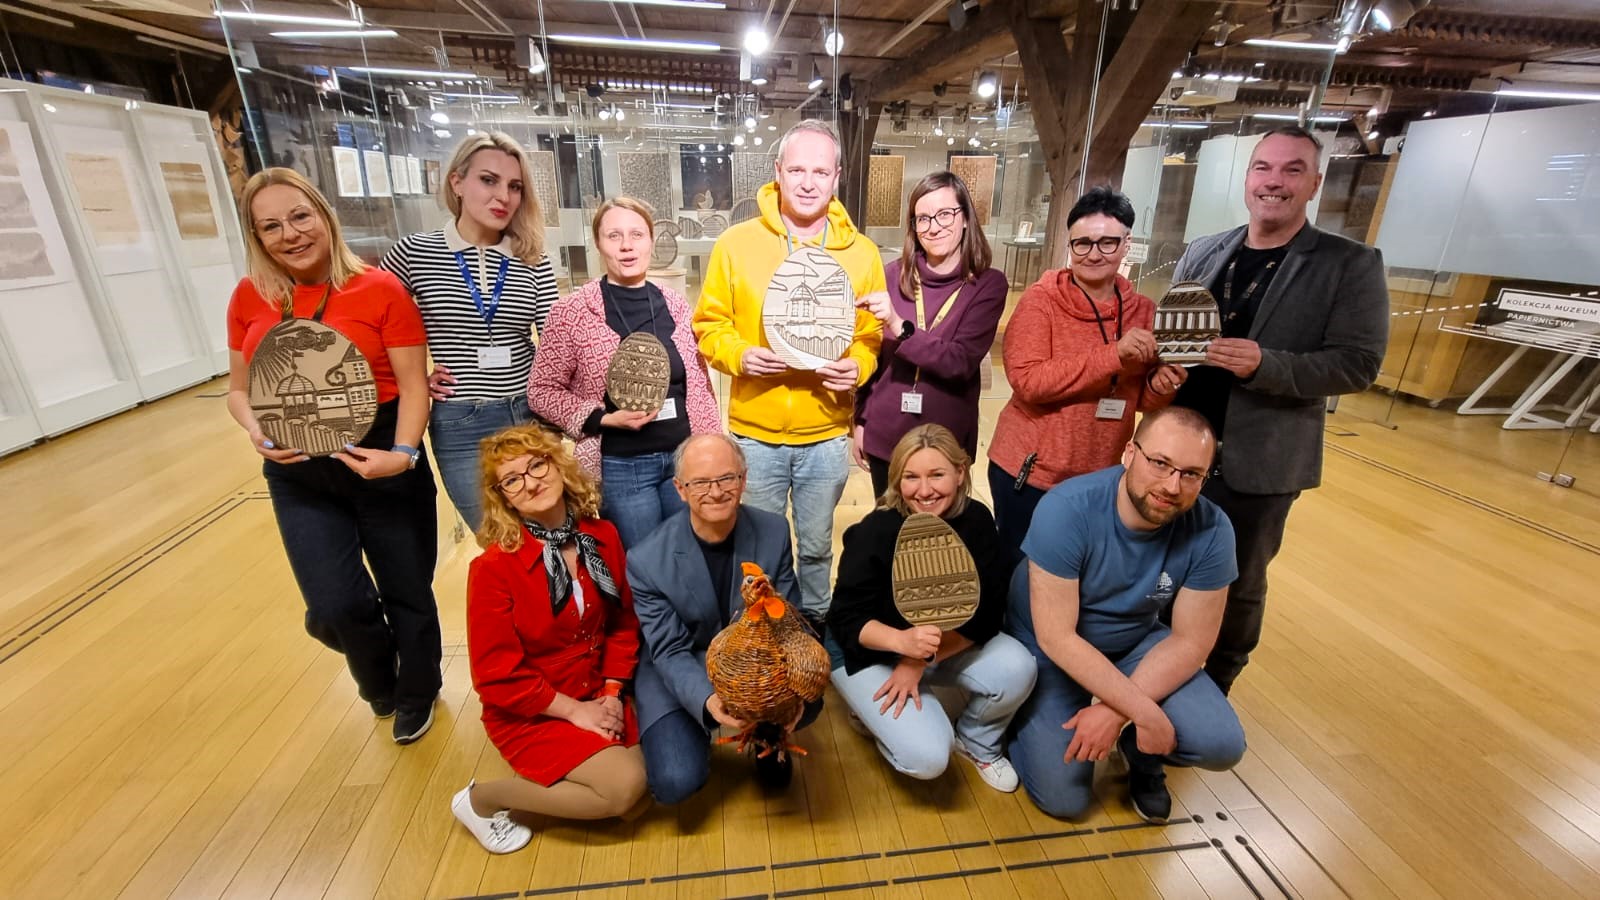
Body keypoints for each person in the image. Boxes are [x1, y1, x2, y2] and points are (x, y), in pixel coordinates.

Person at [224, 168, 441, 745]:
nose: (291, 234)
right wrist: (256, 428)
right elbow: (238, 389)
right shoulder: (250, 296)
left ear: (324, 215)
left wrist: (404, 454)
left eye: (300, 216)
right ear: (256, 235)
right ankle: (379, 677)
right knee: (332, 603)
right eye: (271, 226)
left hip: (381, 449)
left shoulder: (380, 289)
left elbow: (413, 385)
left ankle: (417, 691)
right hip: (298, 468)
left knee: (407, 589)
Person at [1171, 126, 1389, 694]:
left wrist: (1265, 364)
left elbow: (1359, 365)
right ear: (1247, 178)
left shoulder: (1349, 263)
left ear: (1315, 183)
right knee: (1163, 567)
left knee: (1237, 581)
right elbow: (1176, 340)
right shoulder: (1204, 251)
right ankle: (1152, 678)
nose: (1275, 181)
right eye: (1263, 167)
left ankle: (1215, 689)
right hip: (1180, 448)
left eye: (1293, 169)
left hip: (1260, 458)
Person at [1006, 407, 1245, 822]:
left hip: (1133, 636)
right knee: (1064, 800)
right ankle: (1016, 718)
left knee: (1221, 744)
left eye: (1191, 474)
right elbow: (1057, 637)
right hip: (1051, 645)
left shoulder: (1213, 529)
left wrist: (1118, 712)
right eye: (1160, 463)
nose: (1172, 485)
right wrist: (1146, 712)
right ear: (1129, 453)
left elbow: (1191, 641)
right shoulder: (1067, 508)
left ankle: (1140, 752)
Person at [692, 119, 886, 626]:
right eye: (797, 169)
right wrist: (739, 356)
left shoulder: (862, 253)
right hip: (755, 434)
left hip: (825, 435)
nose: (807, 182)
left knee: (818, 548)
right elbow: (709, 325)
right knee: (757, 550)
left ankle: (815, 628)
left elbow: (870, 335)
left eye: (820, 171)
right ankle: (761, 634)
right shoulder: (736, 244)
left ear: (837, 177)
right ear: (778, 171)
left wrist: (859, 366)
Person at [454, 426, 648, 854]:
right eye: (512, 479)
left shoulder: (602, 535)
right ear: (503, 497)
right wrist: (575, 712)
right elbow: (496, 676)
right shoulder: (493, 568)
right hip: (533, 711)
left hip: (597, 690)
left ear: (558, 466)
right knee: (625, 789)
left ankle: (588, 771)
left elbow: (622, 624)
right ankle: (481, 800)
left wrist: (611, 693)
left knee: (643, 796)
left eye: (536, 466)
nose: (530, 483)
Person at [988, 186, 1189, 570]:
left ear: (1127, 244)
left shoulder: (1143, 311)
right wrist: (1113, 354)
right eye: (1082, 244)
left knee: (1085, 572)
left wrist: (1160, 387)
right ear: (1070, 246)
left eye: (1107, 242)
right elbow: (1028, 382)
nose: (1094, 254)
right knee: (1022, 574)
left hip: (1103, 475)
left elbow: (1139, 399)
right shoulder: (1041, 301)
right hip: (1032, 473)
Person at [828, 424, 1035, 791]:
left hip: (931, 646)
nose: (924, 491)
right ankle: (868, 713)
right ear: (897, 480)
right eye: (911, 477)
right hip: (866, 648)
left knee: (1019, 667)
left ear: (960, 472)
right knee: (929, 758)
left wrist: (916, 662)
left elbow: (987, 614)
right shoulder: (876, 529)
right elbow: (845, 619)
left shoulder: (977, 520)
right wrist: (901, 644)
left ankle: (976, 740)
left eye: (937, 475)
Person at [627, 433, 821, 804]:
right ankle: (697, 729)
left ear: (743, 480)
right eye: (700, 482)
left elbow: (790, 623)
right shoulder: (646, 559)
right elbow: (669, 650)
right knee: (675, 781)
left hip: (753, 661)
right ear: (680, 489)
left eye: (726, 478)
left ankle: (766, 735)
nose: (715, 492)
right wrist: (708, 700)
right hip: (684, 661)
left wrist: (786, 690)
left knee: (810, 698)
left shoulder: (773, 530)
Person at [380, 132, 558, 531]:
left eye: (514, 186)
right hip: (461, 420)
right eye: (488, 180)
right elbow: (372, 324)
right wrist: (413, 379)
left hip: (526, 412)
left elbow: (554, 341)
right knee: (497, 540)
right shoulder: (414, 253)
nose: (503, 197)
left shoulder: (532, 257)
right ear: (457, 182)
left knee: (547, 534)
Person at [528, 198, 721, 547]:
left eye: (637, 234)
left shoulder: (675, 304)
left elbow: (698, 386)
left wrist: (711, 450)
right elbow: (542, 391)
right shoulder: (572, 312)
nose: (627, 245)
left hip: (685, 459)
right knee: (643, 562)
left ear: (651, 240)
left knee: (690, 554)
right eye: (614, 235)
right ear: (598, 243)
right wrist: (602, 418)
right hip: (624, 466)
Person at [852, 172, 1009, 497]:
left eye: (944, 214)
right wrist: (860, 421)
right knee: (887, 526)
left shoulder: (987, 285)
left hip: (945, 441)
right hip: (886, 435)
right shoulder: (892, 275)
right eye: (922, 218)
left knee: (937, 529)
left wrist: (899, 326)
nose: (933, 227)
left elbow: (959, 362)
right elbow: (872, 355)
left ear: (965, 218)